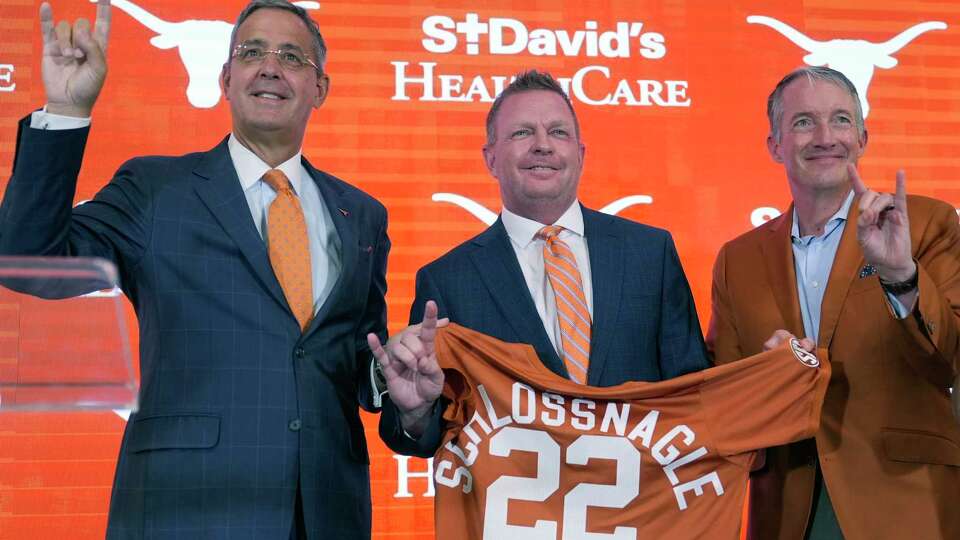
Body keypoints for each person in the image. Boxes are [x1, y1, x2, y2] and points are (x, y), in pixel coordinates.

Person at [0, 1, 404, 538]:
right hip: (184, 507)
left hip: (326, 512)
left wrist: (397, 379)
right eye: (252, 52)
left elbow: (356, 361)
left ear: (320, 89)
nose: (269, 66)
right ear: (225, 78)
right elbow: (29, 258)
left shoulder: (363, 215)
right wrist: (67, 109)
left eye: (291, 56)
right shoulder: (153, 190)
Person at [370, 70, 710, 454]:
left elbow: (693, 394)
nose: (542, 146)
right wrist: (417, 413)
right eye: (522, 133)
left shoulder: (650, 253)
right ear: (491, 158)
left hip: (644, 507)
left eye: (558, 132)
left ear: (580, 155)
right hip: (518, 512)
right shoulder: (447, 280)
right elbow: (430, 434)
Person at [707, 66, 960, 539]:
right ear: (774, 145)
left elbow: (950, 359)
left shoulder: (924, 223)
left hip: (906, 505)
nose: (825, 137)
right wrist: (767, 377)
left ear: (863, 137)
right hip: (788, 512)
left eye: (840, 120)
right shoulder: (736, 260)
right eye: (803, 122)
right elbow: (723, 398)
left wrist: (901, 276)